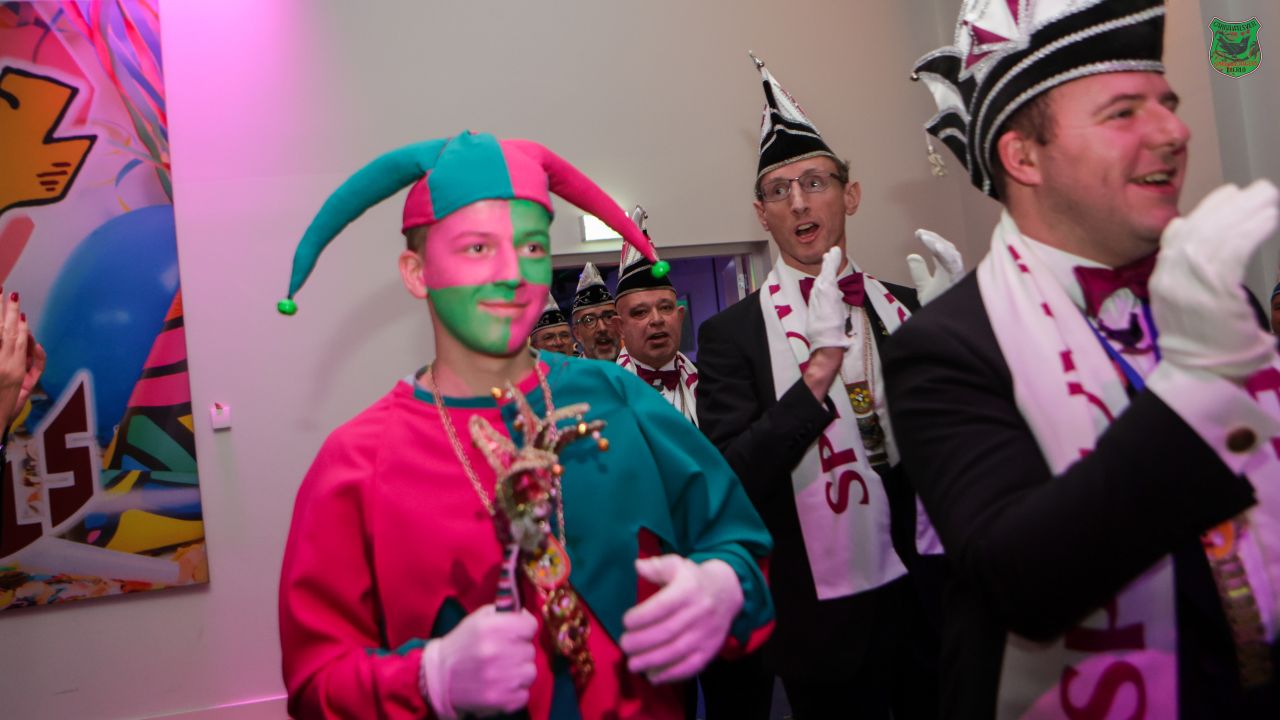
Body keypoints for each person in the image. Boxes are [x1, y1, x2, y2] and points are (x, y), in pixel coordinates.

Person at [276, 132, 774, 720]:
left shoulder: (618, 398)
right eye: (477, 248)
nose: (514, 273)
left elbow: (739, 539)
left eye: (532, 246)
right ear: (417, 272)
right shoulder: (358, 462)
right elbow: (316, 682)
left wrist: (724, 586)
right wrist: (428, 677)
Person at [894, 0, 1280, 716]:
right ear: (1023, 157)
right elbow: (1023, 581)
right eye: (1124, 112)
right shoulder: (945, 348)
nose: (1174, 131)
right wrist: (1196, 385)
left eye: (1168, 104)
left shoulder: (1220, 303)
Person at [695, 54, 960, 719]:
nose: (799, 202)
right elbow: (732, 474)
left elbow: (959, 444)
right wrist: (816, 374)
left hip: (927, 594)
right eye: (779, 191)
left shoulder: (905, 305)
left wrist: (961, 344)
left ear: (851, 195)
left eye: (815, 182)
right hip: (820, 617)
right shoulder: (733, 334)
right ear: (761, 214)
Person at [611, 206, 698, 426]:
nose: (657, 319)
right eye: (640, 312)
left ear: (680, 316)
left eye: (666, 308)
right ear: (620, 327)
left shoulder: (711, 386)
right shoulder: (604, 394)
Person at [571, 263, 621, 361]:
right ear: (577, 333)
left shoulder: (641, 368)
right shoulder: (569, 371)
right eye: (589, 320)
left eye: (609, 317)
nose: (602, 328)